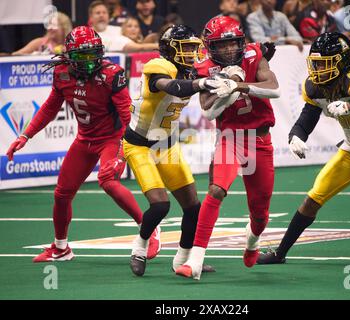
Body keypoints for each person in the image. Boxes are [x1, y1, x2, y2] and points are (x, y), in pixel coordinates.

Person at [6, 26, 160, 262]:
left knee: (108, 182)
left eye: (93, 54)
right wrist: (25, 135)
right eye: (82, 56)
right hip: (85, 139)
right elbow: (50, 107)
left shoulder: (112, 74)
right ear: (69, 55)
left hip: (113, 137)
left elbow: (129, 117)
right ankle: (61, 248)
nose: (89, 62)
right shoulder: (61, 72)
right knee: (61, 194)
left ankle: (149, 229)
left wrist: (121, 152)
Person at [257, 32, 350, 265]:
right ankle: (280, 253)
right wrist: (296, 136)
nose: (317, 69)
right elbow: (308, 117)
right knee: (312, 200)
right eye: (315, 63)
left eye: (324, 64)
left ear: (341, 62)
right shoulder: (315, 87)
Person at [175, 16, 280, 280]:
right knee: (216, 189)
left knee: (260, 214)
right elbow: (208, 112)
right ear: (211, 47)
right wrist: (226, 91)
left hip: (260, 140)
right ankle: (195, 260)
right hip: (230, 138)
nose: (229, 50)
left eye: (233, 43)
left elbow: (274, 88)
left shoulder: (254, 54)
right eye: (222, 45)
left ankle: (252, 241)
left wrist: (238, 85)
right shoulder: (205, 67)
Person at [126, 24, 225, 276]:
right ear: (170, 48)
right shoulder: (157, 66)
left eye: (194, 48)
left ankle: (183, 259)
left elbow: (219, 64)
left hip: (167, 145)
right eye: (186, 48)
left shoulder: (191, 69)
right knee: (160, 205)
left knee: (193, 207)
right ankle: (139, 247)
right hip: (140, 145)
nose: (192, 53)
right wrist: (202, 82)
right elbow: (172, 86)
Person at [88, 0, 158, 52]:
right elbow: (138, 47)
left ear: (108, 16)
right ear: (91, 17)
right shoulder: (88, 36)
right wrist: (161, 46)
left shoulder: (119, 29)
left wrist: (148, 39)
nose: (101, 15)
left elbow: (138, 44)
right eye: (98, 13)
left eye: (104, 12)